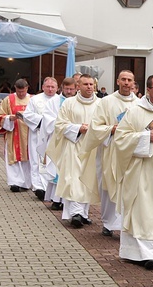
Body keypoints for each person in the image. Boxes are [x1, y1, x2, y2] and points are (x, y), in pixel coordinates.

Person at [112, 74, 153, 270]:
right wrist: (146, 137)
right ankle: (140, 253)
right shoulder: (134, 113)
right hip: (140, 171)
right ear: (148, 90)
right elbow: (120, 140)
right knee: (142, 211)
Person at [79, 70, 137, 236]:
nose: (126, 83)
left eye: (129, 80)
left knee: (129, 187)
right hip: (110, 150)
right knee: (108, 185)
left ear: (133, 83)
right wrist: (111, 129)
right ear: (118, 81)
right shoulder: (106, 102)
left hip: (131, 152)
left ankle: (127, 222)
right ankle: (109, 222)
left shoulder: (140, 103)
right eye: (123, 79)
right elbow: (95, 126)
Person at [45, 74, 100, 228]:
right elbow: (60, 124)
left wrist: (94, 130)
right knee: (73, 179)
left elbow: (106, 123)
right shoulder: (69, 103)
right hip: (73, 145)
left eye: (91, 84)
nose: (89, 87)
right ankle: (75, 213)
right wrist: (78, 128)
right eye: (85, 84)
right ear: (78, 87)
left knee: (87, 180)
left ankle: (83, 213)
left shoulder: (101, 104)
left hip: (92, 147)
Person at [40, 77, 77, 210]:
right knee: (57, 169)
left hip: (74, 140)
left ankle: (67, 200)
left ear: (75, 88)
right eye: (66, 89)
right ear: (62, 88)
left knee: (70, 170)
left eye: (71, 89)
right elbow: (47, 119)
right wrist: (64, 126)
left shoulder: (77, 102)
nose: (69, 91)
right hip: (58, 139)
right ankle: (56, 199)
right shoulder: (54, 101)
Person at [22, 77, 59, 200]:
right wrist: (44, 122)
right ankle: (38, 187)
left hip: (54, 136)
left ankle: (49, 187)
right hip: (37, 135)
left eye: (52, 87)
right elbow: (27, 115)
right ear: (43, 87)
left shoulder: (60, 100)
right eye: (47, 86)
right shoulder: (35, 100)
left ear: (57, 88)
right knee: (36, 161)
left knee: (51, 161)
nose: (50, 89)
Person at [0, 79, 32, 192]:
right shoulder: (8, 99)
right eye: (18, 91)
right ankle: (14, 182)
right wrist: (10, 118)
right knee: (13, 158)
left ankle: (26, 183)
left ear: (27, 88)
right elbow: (0, 115)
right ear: (15, 88)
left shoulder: (33, 100)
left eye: (23, 91)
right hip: (14, 133)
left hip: (29, 134)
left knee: (29, 159)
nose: (21, 94)